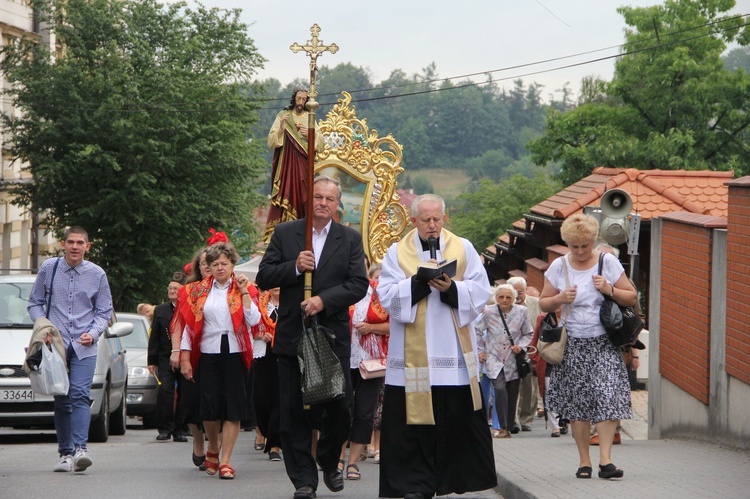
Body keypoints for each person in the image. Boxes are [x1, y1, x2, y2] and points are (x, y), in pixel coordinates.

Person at [256, 175, 368, 499]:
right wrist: (293, 266)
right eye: (318, 197)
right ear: (309, 199)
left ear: (337, 204)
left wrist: (324, 300)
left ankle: (329, 459)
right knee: (293, 413)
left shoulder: (349, 239)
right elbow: (264, 276)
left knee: (339, 407)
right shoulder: (286, 232)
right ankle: (304, 480)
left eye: (329, 199)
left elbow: (358, 284)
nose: (322, 203)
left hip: (331, 337)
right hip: (293, 336)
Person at [377, 194, 496, 499]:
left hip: (452, 355)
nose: (431, 226)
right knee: (412, 429)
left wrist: (452, 288)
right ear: (413, 220)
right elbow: (386, 297)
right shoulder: (396, 252)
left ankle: (449, 480)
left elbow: (481, 291)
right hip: (411, 360)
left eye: (436, 219)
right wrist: (418, 282)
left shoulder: (463, 247)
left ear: (445, 219)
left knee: (452, 424)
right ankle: (414, 485)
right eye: (425, 220)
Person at [539, 214, 637, 480]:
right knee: (577, 403)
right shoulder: (559, 267)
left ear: (594, 241)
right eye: (574, 246)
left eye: (584, 246)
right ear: (567, 244)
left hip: (604, 341)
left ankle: (606, 461)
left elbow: (631, 297)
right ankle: (584, 462)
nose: (580, 252)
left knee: (606, 396)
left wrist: (609, 290)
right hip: (572, 344)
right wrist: (559, 298)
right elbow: (543, 303)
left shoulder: (608, 262)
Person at [27, 226, 113, 473]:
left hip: (85, 346)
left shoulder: (97, 274)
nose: (75, 246)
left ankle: (80, 449)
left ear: (88, 246)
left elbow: (104, 311)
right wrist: (45, 329)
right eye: (71, 242)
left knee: (79, 395)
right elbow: (34, 303)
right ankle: (65, 453)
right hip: (56, 345)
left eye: (80, 243)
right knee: (62, 399)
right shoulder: (49, 268)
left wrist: (94, 333)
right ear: (63, 244)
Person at [176, 241, 262, 480]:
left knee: (233, 407)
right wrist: (184, 357)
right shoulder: (198, 291)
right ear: (209, 268)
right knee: (210, 407)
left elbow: (253, 319)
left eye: (225, 263)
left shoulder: (245, 287)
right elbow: (189, 329)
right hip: (208, 351)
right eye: (215, 264)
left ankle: (226, 460)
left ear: (233, 264)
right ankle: (212, 446)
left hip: (235, 351)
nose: (220, 267)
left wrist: (245, 292)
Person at [340, 262, 389, 481]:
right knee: (341, 410)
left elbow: (394, 324)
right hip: (343, 358)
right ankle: (338, 457)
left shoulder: (381, 293)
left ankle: (353, 462)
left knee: (364, 412)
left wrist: (370, 328)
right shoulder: (341, 291)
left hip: (370, 362)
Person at [263, 86, 326, 243]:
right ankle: (281, 231)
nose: (301, 102)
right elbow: (271, 141)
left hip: (303, 166)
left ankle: (301, 231)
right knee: (286, 194)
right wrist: (281, 130)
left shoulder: (310, 117)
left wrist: (311, 134)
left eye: (304, 99)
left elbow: (321, 144)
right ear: (294, 98)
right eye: (299, 98)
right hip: (286, 166)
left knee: (304, 196)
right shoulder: (283, 115)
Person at [475, 284, 532, 439]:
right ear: (496, 298)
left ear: (513, 298)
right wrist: (481, 351)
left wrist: (520, 347)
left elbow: (529, 333)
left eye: (508, 297)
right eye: (501, 297)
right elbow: (477, 331)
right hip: (494, 358)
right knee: (500, 389)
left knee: (512, 394)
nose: (504, 300)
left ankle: (508, 427)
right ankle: (502, 427)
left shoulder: (521, 312)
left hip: (513, 359)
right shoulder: (488, 312)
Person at [170, 248, 208, 470]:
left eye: (210, 262)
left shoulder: (228, 289)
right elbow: (178, 324)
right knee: (191, 402)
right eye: (203, 263)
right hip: (191, 352)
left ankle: (216, 447)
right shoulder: (188, 291)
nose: (206, 266)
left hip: (217, 353)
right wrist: (176, 351)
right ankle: (198, 439)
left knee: (216, 402)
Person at [147, 277, 188, 442]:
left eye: (175, 289)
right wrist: (152, 360)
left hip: (185, 355)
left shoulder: (188, 309)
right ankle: (164, 428)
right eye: (170, 288)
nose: (172, 291)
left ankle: (180, 429)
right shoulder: (161, 310)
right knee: (166, 391)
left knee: (185, 393)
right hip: (165, 357)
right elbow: (154, 337)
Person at [252, 287, 283, 462]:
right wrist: (260, 335)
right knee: (261, 400)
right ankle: (265, 431)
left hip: (283, 356)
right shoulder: (258, 305)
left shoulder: (290, 303)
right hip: (263, 356)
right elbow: (247, 327)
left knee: (279, 400)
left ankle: (275, 445)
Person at [507, 276, 541, 433]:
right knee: (511, 386)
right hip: (509, 351)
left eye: (519, 291)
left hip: (530, 351)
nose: (517, 295)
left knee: (529, 387)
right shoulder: (505, 303)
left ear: (525, 290)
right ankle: (511, 419)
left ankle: (526, 418)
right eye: (514, 292)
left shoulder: (536, 303)